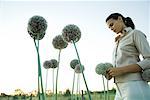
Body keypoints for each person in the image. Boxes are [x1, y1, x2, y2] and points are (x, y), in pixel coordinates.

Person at [105, 13, 150, 100]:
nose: (111, 28)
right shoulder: (117, 41)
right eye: (109, 27)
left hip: (134, 85)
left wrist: (121, 70)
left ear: (119, 19)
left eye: (111, 24)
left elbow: (149, 59)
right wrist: (111, 73)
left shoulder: (135, 33)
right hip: (118, 89)